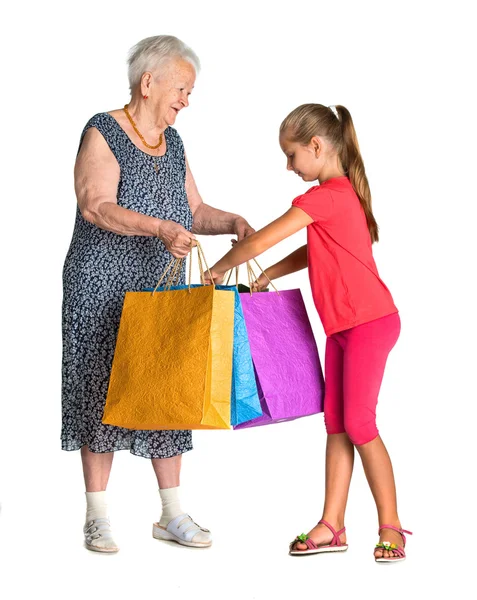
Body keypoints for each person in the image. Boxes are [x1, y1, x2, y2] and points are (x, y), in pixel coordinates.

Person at [62, 35, 254, 553]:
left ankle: (171, 513)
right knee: (101, 390)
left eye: (190, 92)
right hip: (100, 282)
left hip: (158, 284)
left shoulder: (174, 144)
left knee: (167, 389)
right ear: (149, 83)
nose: (187, 100)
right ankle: (97, 516)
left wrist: (231, 221)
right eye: (182, 89)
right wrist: (160, 229)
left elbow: (192, 211)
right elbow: (95, 205)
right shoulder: (104, 131)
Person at [206, 103, 412, 563]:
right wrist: (268, 275)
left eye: (292, 155)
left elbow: (259, 241)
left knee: (359, 423)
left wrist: (220, 269)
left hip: (368, 324)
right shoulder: (337, 197)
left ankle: (392, 527)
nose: (288, 165)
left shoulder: (327, 196)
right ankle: (331, 524)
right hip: (343, 328)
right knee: (336, 423)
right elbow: (308, 249)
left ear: (316, 147)